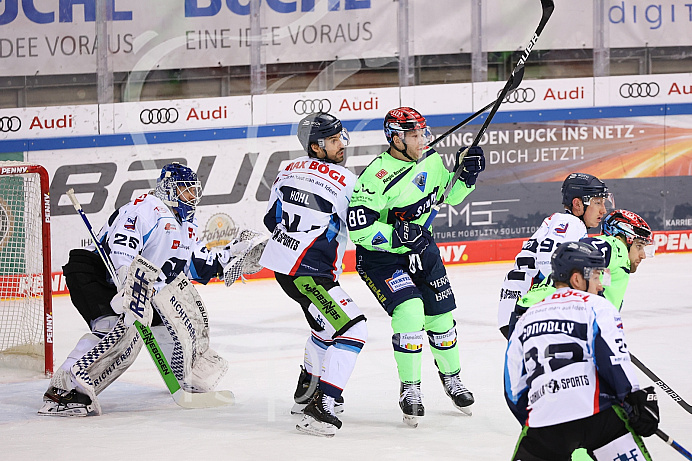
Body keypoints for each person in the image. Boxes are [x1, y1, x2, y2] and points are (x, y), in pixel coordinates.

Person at [39, 162, 248, 416]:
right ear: (170, 189)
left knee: (179, 320)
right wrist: (128, 284)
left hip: (141, 288)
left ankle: (185, 377)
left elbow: (193, 266)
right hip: (98, 275)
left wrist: (229, 257)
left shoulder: (185, 224)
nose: (192, 197)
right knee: (114, 330)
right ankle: (64, 392)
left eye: (194, 191)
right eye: (186, 191)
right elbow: (121, 248)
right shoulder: (147, 208)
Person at [347, 106, 484, 427]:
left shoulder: (432, 159)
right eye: (413, 134)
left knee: (441, 317)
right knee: (410, 311)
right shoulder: (376, 175)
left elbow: (449, 195)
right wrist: (398, 234)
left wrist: (468, 175)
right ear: (395, 138)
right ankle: (410, 388)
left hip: (423, 250)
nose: (421, 138)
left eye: (422, 132)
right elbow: (360, 229)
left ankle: (452, 378)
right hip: (382, 258)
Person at [259, 112, 367, 437]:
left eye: (341, 137)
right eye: (334, 141)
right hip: (310, 276)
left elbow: (270, 219)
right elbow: (364, 229)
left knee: (324, 328)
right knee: (353, 328)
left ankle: (305, 392)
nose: (342, 145)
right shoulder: (347, 180)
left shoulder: (286, 171)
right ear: (317, 147)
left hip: (284, 268)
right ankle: (321, 406)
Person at [505, 241, 659, 460]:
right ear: (577, 279)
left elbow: (513, 388)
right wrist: (633, 400)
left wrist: (535, 419)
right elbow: (614, 361)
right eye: (596, 277)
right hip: (598, 415)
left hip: (546, 421)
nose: (601, 286)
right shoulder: (598, 306)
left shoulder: (526, 318)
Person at [498, 173, 613, 339]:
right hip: (528, 307)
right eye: (597, 202)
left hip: (516, 306)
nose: (603, 209)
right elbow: (547, 261)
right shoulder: (572, 223)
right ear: (578, 204)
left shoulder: (559, 221)